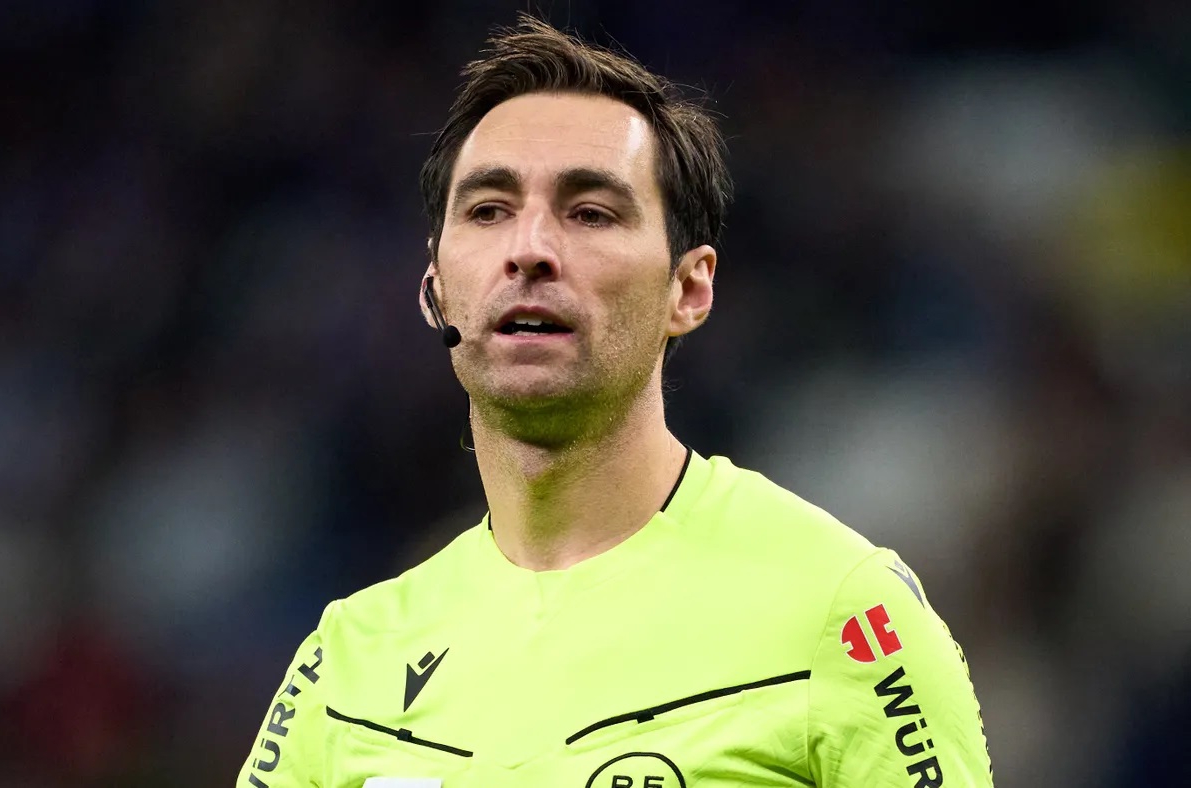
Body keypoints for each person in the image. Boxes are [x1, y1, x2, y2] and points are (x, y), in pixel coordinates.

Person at [237, 14, 992, 788]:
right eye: (488, 210)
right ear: (435, 289)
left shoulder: (843, 614)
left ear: (688, 289)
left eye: (590, 212)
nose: (529, 249)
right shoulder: (346, 664)